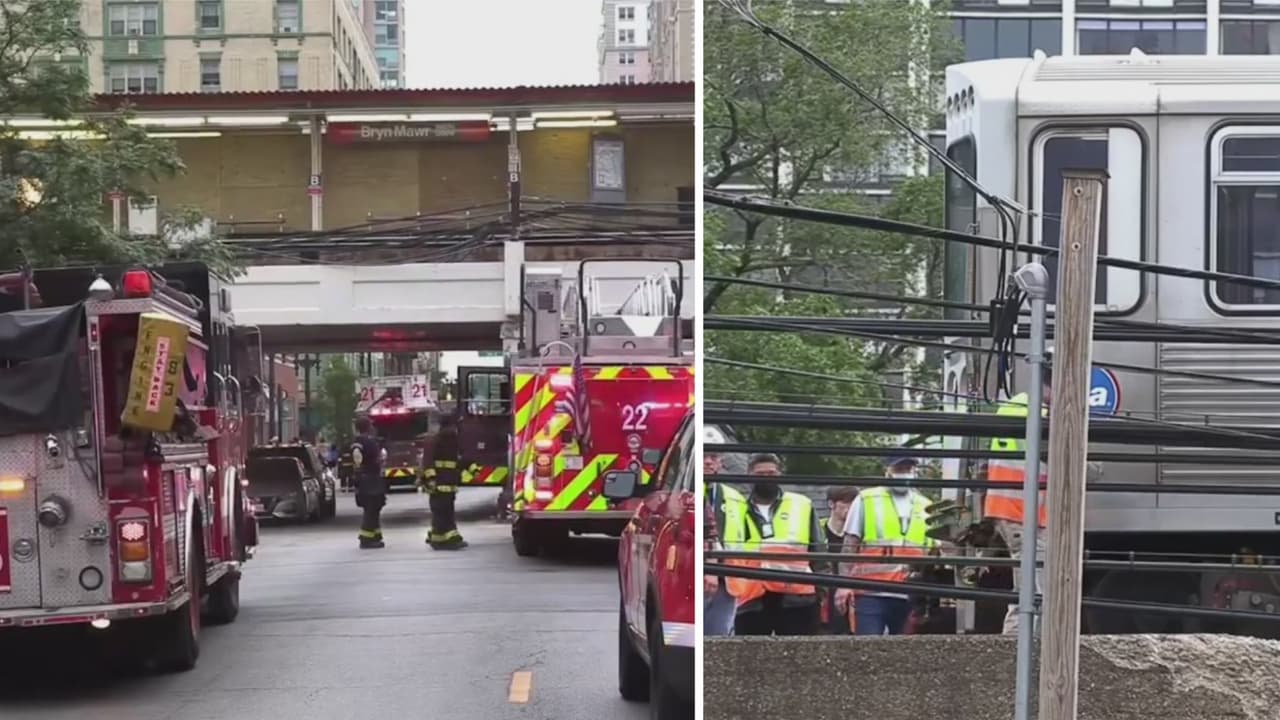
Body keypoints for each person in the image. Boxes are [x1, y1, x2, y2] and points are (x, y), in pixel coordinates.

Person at [835, 456, 937, 636]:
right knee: (868, 647)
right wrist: (844, 585)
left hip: (910, 594)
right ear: (887, 472)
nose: (904, 474)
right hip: (870, 592)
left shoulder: (926, 506)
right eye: (899, 470)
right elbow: (850, 544)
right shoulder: (867, 499)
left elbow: (933, 550)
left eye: (908, 469)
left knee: (906, 649)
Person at [988, 363, 1051, 635]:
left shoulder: (1014, 406)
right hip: (1022, 511)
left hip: (1011, 509)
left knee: (1029, 588)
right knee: (1032, 592)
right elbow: (1062, 453)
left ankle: (1020, 647)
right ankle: (1017, 647)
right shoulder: (1039, 414)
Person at [731, 453, 825, 637]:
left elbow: (818, 549)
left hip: (797, 599)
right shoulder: (737, 508)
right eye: (760, 474)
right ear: (750, 476)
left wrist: (821, 591)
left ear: (779, 474)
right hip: (752, 599)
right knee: (750, 653)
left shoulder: (801, 504)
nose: (767, 478)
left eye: (771, 473)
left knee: (798, 652)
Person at [703, 443, 745, 637]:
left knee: (719, 639)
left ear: (720, 463)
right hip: (696, 576)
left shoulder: (735, 497)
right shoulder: (690, 492)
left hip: (727, 581)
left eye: (713, 457)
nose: (708, 462)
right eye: (704, 456)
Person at [421, 412, 476, 550]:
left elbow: (460, 459)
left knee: (443, 511)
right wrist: (431, 479)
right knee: (443, 512)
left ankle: (441, 538)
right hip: (443, 482)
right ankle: (447, 539)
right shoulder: (443, 440)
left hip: (444, 483)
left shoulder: (444, 440)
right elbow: (429, 461)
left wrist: (431, 479)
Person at [820, 485, 859, 635]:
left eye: (854, 503)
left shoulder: (859, 535)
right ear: (831, 504)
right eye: (846, 502)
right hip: (824, 600)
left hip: (851, 600)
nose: (851, 507)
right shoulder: (818, 531)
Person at [351, 417, 386, 549]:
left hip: (371, 478)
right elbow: (357, 456)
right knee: (371, 508)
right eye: (371, 425)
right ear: (367, 427)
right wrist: (360, 471)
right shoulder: (362, 442)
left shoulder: (367, 441)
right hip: (369, 479)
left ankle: (375, 536)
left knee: (375, 507)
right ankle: (366, 539)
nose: (373, 427)